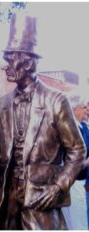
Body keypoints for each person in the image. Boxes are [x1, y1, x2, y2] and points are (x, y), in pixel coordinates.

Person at [0, 13, 86, 230]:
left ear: (27, 62)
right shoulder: (4, 103)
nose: (7, 64)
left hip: (40, 196)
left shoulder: (56, 100)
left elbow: (77, 150)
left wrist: (58, 187)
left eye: (11, 58)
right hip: (6, 196)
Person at [61, 92, 89, 229]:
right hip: (73, 184)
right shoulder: (68, 129)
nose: (86, 109)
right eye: (83, 106)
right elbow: (72, 163)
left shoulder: (81, 127)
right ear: (74, 108)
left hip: (80, 183)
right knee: (78, 224)